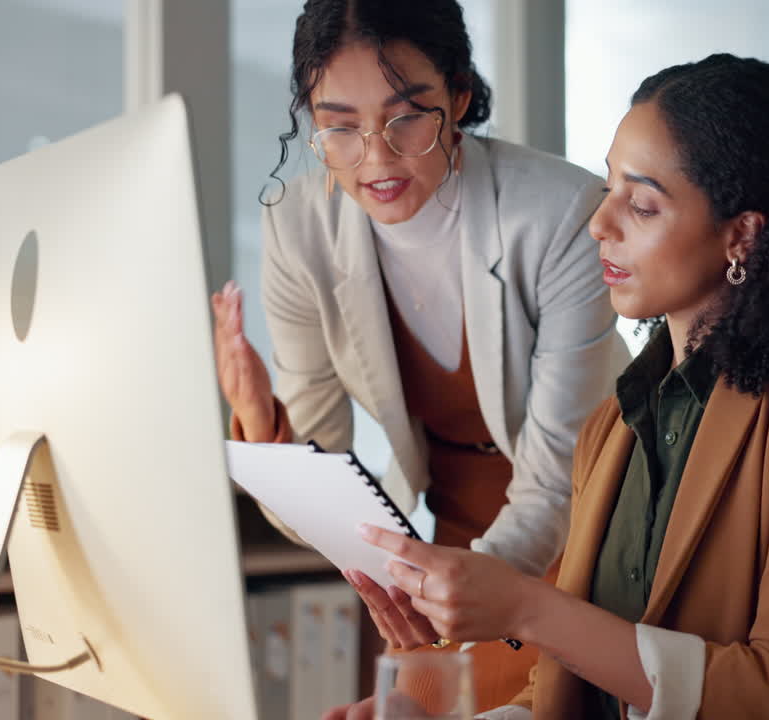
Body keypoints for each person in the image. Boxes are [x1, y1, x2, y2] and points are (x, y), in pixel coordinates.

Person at [355, 53, 769, 719]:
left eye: (643, 204)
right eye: (607, 189)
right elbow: (569, 690)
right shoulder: (616, 422)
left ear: (741, 234)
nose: (599, 224)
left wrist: (525, 607)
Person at [210, 0, 628, 711]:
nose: (375, 157)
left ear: (459, 96)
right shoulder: (300, 226)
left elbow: (557, 483)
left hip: (593, 525)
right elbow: (324, 488)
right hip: (452, 541)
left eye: (407, 115)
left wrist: (450, 602)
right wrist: (266, 431)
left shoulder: (560, 213)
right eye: (339, 125)